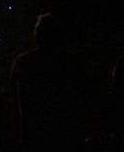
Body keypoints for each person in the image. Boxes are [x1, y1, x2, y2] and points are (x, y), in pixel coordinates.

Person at [11, 13, 86, 152]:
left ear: (37, 35)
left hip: (34, 132)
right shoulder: (73, 62)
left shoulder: (23, 62)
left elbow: (15, 99)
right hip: (67, 132)